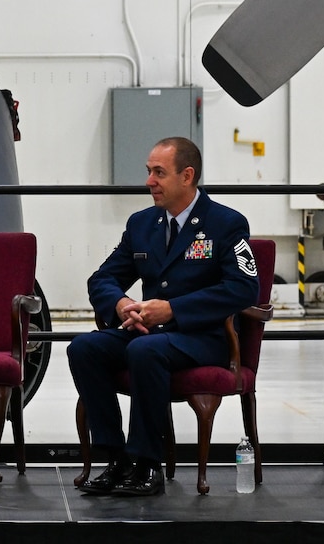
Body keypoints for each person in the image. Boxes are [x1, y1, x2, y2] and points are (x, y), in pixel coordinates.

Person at [69, 137, 257, 497]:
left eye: (159, 172)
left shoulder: (226, 224)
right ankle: (116, 458)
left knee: (145, 350)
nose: (149, 181)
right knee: (84, 348)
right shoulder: (142, 224)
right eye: (148, 172)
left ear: (187, 176)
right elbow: (103, 278)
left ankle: (147, 464)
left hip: (201, 339)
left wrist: (173, 309)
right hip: (151, 334)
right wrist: (122, 304)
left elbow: (243, 288)